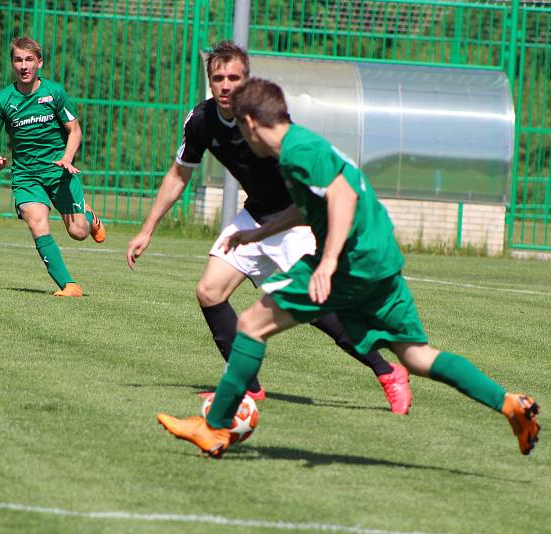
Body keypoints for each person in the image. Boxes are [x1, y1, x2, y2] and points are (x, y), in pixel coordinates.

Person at [157, 78, 541, 458]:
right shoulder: (299, 148)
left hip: (352, 264)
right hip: (381, 260)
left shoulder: (297, 150)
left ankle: (214, 427)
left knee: (251, 325)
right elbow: (310, 205)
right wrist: (259, 234)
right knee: (416, 355)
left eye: (242, 128)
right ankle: (509, 404)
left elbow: (343, 195)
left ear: (252, 123)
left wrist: (327, 262)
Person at [126, 41, 411, 412]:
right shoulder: (200, 121)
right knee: (209, 292)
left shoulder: (269, 120)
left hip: (295, 220)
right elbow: (180, 175)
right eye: (218, 78)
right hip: (255, 217)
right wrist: (147, 229)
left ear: (248, 79)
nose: (226, 85)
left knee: (318, 310)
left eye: (234, 77)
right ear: (209, 82)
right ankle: (248, 387)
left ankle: (388, 371)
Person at [0, 36, 105, 297]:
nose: (24, 65)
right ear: (12, 64)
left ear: (39, 62)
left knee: (78, 232)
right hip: (26, 176)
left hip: (59, 172)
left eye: (29, 60)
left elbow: (74, 131)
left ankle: (89, 216)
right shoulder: (2, 100)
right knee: (36, 221)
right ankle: (69, 285)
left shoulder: (54, 93)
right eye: (18, 60)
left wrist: (67, 158)